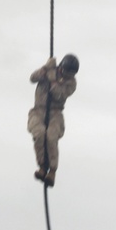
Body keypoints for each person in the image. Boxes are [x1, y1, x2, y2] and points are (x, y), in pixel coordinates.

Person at [27, 54, 78, 187]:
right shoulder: (49, 70)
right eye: (66, 72)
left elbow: (59, 94)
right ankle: (42, 167)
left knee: (51, 136)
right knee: (39, 134)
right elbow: (33, 78)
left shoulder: (71, 83)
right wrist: (45, 69)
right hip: (38, 111)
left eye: (70, 74)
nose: (67, 76)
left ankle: (52, 171)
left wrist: (52, 80)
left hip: (55, 113)